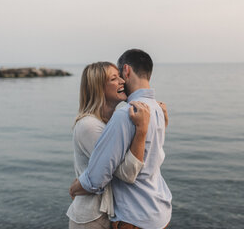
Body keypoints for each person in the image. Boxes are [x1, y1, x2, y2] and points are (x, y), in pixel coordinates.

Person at [70, 49, 172, 229]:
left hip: (134, 215)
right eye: (113, 78)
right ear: (98, 87)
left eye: (119, 76)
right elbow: (105, 174)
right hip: (95, 217)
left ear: (126, 70)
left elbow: (118, 174)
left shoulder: (126, 115)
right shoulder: (151, 109)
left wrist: (78, 186)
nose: (121, 81)